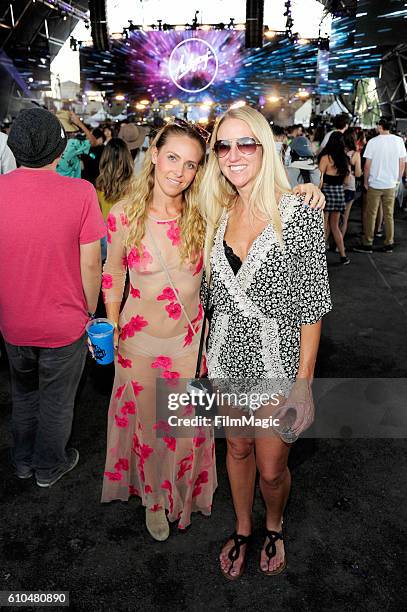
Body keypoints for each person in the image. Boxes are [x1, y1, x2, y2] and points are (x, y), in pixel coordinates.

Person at [100, 118, 326, 543]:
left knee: (189, 434)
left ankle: (195, 499)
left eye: (190, 164)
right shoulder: (128, 215)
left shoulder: (203, 214)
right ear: (153, 154)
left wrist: (306, 189)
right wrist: (109, 322)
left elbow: (307, 293)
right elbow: (111, 272)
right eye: (172, 158)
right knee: (151, 431)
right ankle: (155, 499)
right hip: (142, 346)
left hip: (195, 349)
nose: (178, 171)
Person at [199, 106, 332, 579]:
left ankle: (274, 524)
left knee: (272, 468)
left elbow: (311, 307)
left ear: (265, 146)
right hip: (225, 363)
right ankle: (242, 526)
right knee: (236, 449)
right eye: (223, 145)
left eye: (245, 143)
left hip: (278, 365)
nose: (233, 155)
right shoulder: (216, 210)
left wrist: (304, 384)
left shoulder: (298, 212)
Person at [0, 107, 105, 487]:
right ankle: (48, 467)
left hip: (13, 321)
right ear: (60, 151)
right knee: (58, 400)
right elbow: (92, 264)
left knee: (23, 394)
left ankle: (23, 461)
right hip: (64, 321)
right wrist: (90, 310)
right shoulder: (80, 192)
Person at [354, 117, 406, 253]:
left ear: (380, 126)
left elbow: (367, 166)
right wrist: (397, 179)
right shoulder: (399, 141)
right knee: (389, 214)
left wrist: (365, 182)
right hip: (390, 184)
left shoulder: (372, 142)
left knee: (371, 213)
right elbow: (402, 163)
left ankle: (368, 243)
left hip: (375, 183)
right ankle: (389, 243)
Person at [95, 138, 134, 259]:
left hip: (105, 236)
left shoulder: (98, 185)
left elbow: (98, 214)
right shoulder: (134, 185)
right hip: (127, 233)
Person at [318, 131, 350, 265]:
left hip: (327, 192)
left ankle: (319, 258)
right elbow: (347, 181)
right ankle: (343, 255)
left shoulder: (326, 158)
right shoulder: (345, 158)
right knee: (335, 226)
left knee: (324, 225)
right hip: (339, 192)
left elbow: (319, 179)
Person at [56, 110, 98, 178]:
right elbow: (94, 142)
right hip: (72, 185)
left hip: (55, 184)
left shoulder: (51, 144)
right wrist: (79, 123)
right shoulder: (73, 144)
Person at [342, 129, 362, 239]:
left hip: (337, 185)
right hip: (349, 186)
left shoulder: (339, 151)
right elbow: (358, 174)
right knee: (345, 218)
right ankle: (338, 244)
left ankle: (326, 242)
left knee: (332, 218)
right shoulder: (355, 154)